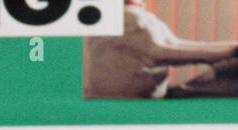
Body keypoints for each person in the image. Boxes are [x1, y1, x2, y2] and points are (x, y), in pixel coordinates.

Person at [84, 1, 238, 99]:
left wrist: (228, 50)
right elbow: (166, 51)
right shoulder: (126, 17)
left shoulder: (125, 16)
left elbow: (173, 45)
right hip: (128, 103)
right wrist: (229, 51)